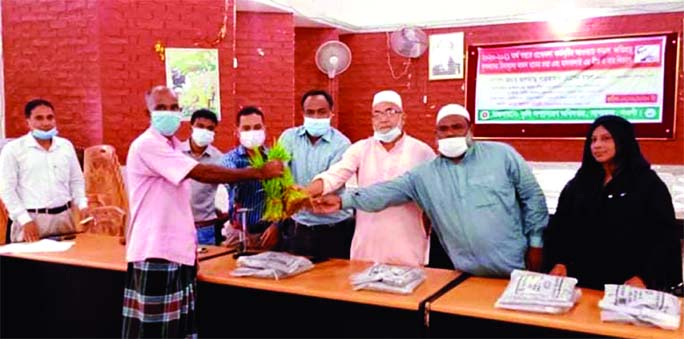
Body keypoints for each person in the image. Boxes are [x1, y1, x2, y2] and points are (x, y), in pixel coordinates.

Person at [313, 104, 548, 277]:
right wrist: (342, 201)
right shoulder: (425, 174)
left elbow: (532, 196)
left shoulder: (501, 155)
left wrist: (536, 242)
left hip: (514, 265)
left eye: (457, 127)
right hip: (464, 271)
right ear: (436, 133)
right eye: (443, 129)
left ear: (470, 129)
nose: (449, 133)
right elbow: (384, 192)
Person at [122, 86, 283, 338]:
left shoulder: (172, 147)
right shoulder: (148, 145)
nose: (169, 113)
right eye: (161, 108)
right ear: (148, 113)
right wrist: (259, 172)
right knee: (156, 331)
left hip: (179, 251)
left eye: (174, 108)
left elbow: (177, 207)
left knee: (178, 329)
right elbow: (202, 173)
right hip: (156, 251)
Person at [543, 115, 682, 291]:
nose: (597, 145)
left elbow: (663, 237)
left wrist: (645, 277)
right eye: (593, 140)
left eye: (606, 139)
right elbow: (561, 228)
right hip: (581, 283)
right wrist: (559, 262)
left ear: (623, 141)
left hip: (629, 285)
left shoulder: (647, 185)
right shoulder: (580, 184)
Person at [305, 90, 435, 266]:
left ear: (403, 117)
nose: (384, 118)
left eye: (390, 111)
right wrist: (304, 192)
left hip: (408, 247)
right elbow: (334, 175)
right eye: (377, 114)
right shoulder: (360, 149)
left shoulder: (422, 152)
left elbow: (432, 202)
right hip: (366, 247)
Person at [278, 89, 354, 259]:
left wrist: (300, 195)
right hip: (299, 227)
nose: (316, 117)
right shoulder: (288, 138)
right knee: (295, 282)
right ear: (302, 113)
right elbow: (278, 172)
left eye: (321, 112)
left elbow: (332, 181)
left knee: (334, 281)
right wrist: (287, 188)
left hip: (335, 228)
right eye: (310, 113)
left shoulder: (342, 144)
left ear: (331, 113)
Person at [0, 99, 88, 243]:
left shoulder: (65, 146)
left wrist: (82, 205)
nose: (46, 123)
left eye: (50, 117)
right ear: (27, 121)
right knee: (31, 264)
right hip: (32, 219)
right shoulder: (14, 150)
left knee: (67, 263)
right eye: (39, 118)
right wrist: (24, 220)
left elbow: (76, 181)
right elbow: (7, 190)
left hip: (64, 218)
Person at [220, 106, 278, 250]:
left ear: (265, 129)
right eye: (246, 128)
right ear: (237, 131)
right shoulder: (230, 159)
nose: (252, 132)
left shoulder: (275, 159)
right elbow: (230, 175)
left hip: (269, 233)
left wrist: (277, 226)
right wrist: (262, 172)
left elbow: (285, 197)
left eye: (257, 127)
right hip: (237, 232)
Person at [180, 108, 225, 245]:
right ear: (191, 126)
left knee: (207, 265)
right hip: (178, 227)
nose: (205, 131)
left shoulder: (219, 159)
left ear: (214, 132)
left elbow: (231, 186)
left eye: (210, 128)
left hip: (205, 228)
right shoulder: (176, 154)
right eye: (200, 126)